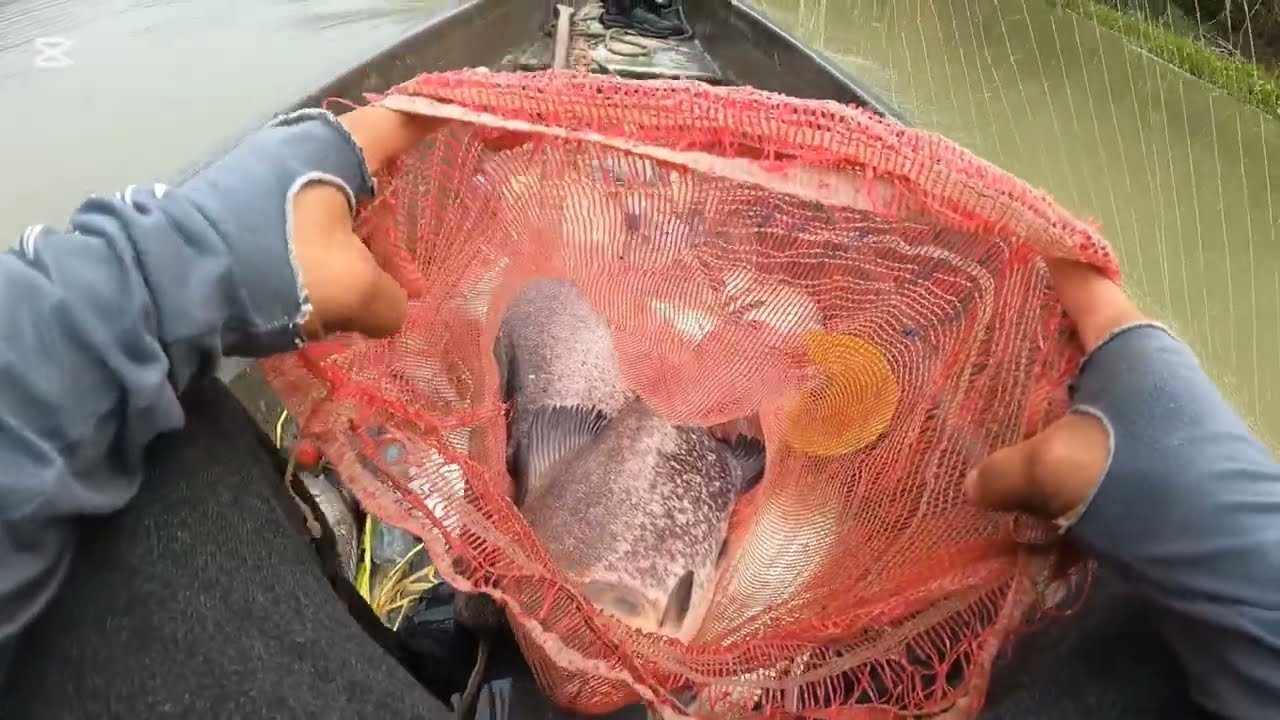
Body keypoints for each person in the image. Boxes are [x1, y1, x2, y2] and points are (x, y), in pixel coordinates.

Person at [0, 103, 1275, 719]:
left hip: (618, 546)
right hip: (657, 549)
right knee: (1152, 615)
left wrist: (164, 275)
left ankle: (481, 639)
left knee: (138, 448)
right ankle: (495, 641)